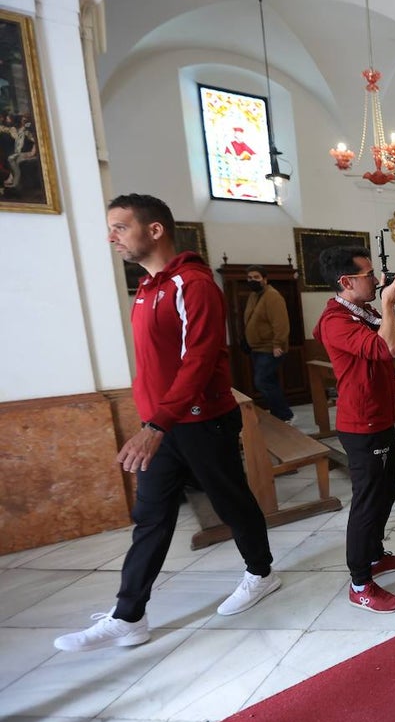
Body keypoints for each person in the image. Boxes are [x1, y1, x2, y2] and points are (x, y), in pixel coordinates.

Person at [54, 194, 281, 652]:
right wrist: (152, 419)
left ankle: (261, 574)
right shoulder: (147, 289)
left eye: (120, 227)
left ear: (154, 230)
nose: (110, 237)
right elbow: (152, 366)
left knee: (232, 502)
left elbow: (198, 360)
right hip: (162, 426)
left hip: (201, 422)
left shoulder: (192, 284)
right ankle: (128, 615)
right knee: (151, 517)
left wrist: (155, 424)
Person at [313, 246, 395, 613]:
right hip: (361, 423)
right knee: (367, 500)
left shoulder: (365, 311)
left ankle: (374, 556)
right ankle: (360, 582)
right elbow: (386, 348)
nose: (377, 280)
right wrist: (389, 307)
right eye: (368, 275)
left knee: (388, 488)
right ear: (346, 282)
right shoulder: (335, 321)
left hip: (380, 417)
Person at [243, 265, 294, 423]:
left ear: (265, 279)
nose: (252, 280)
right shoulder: (254, 295)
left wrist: (278, 344)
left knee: (262, 381)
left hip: (270, 348)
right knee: (269, 381)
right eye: (250, 278)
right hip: (257, 347)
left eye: (256, 277)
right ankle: (278, 414)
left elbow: (281, 323)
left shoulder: (272, 296)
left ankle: (285, 414)